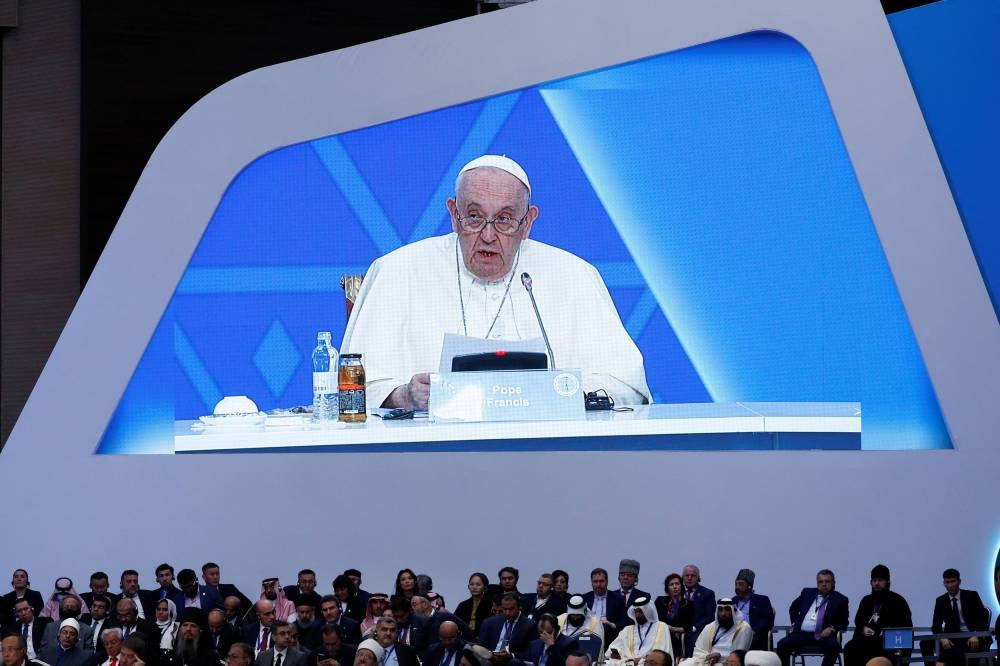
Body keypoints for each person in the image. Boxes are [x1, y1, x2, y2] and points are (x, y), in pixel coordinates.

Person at [339, 154, 651, 410]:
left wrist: (560, 393)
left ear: (527, 222)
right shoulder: (398, 270)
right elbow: (351, 389)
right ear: (453, 213)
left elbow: (626, 384)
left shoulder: (574, 275)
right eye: (474, 217)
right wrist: (404, 397)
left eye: (503, 220)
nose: (488, 235)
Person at [775, 570, 849, 666]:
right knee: (782, 644)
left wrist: (832, 628)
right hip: (802, 634)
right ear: (817, 583)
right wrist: (794, 623)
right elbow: (793, 608)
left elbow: (844, 622)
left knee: (834, 647)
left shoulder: (840, 599)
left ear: (833, 583)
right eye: (821, 581)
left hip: (823, 635)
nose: (824, 584)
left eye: (827, 581)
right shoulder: (807, 593)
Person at [842, 565, 913, 666]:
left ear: (887, 582)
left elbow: (906, 627)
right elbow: (859, 621)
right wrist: (863, 628)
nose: (876, 583)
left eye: (880, 580)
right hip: (867, 641)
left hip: (888, 643)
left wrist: (888, 631)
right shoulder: (866, 600)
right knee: (849, 647)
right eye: (874, 581)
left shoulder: (898, 601)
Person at [919, 568, 991, 666]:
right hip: (950, 638)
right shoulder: (941, 600)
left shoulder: (972, 595)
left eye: (953, 581)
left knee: (958, 650)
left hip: (970, 637)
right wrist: (943, 638)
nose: (950, 585)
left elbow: (983, 618)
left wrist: (976, 634)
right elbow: (936, 625)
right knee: (925, 643)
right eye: (947, 582)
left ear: (959, 581)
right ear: (944, 583)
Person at [682, 599, 752, 666]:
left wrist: (719, 658)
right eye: (720, 610)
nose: (723, 613)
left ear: (734, 611)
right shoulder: (710, 627)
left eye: (727, 610)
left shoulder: (743, 628)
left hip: (726, 663)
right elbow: (698, 650)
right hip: (706, 660)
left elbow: (739, 656)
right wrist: (708, 656)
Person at [605, 596, 672, 664]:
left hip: (648, 663)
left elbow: (662, 652)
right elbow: (614, 646)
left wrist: (643, 660)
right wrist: (616, 653)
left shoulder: (661, 627)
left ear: (648, 611)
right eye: (636, 612)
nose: (637, 615)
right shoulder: (627, 630)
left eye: (640, 611)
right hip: (627, 662)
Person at [475, 592, 535, 661]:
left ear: (520, 607)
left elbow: (531, 654)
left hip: (511, 662)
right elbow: (481, 647)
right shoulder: (489, 623)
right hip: (490, 660)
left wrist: (511, 655)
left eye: (511, 609)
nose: (507, 613)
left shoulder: (530, 625)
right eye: (504, 609)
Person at [731, 571, 774, 652]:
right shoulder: (732, 601)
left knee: (745, 641)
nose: (737, 587)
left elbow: (768, 621)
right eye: (736, 584)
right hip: (735, 633)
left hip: (754, 634)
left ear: (749, 586)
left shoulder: (762, 600)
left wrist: (753, 631)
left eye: (741, 584)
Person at [681, 566, 716, 659]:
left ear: (698, 578)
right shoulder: (677, 592)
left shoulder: (708, 594)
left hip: (698, 631)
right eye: (687, 575)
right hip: (678, 630)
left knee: (692, 639)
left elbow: (710, 616)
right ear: (683, 578)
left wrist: (694, 628)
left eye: (693, 575)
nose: (689, 578)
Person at [654, 574, 691, 659]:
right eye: (671, 584)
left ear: (681, 586)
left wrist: (674, 629)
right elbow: (654, 619)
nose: (675, 587)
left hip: (679, 637)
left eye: (677, 584)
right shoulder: (660, 601)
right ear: (667, 588)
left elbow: (689, 626)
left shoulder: (688, 604)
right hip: (661, 635)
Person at [583, 568, 626, 642]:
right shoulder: (584, 599)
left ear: (607, 582)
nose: (598, 584)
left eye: (601, 581)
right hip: (587, 635)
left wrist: (612, 625)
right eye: (595, 581)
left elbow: (624, 622)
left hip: (609, 635)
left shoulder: (618, 599)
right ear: (591, 583)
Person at [454, 574, 491, 639]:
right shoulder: (463, 605)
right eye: (472, 584)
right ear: (468, 587)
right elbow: (455, 621)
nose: (474, 587)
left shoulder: (490, 604)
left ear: (485, 587)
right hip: (464, 637)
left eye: (478, 584)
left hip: (482, 637)